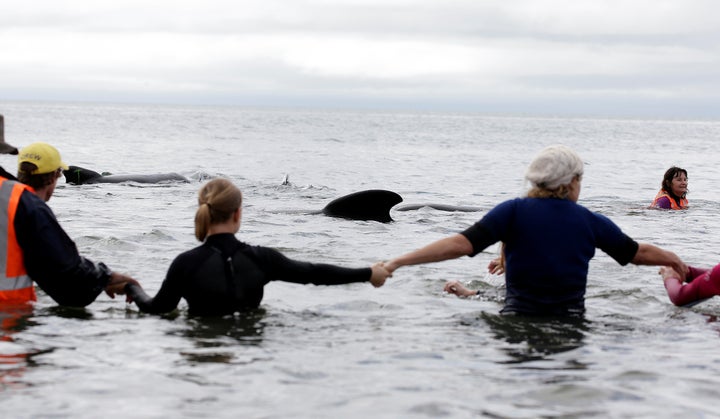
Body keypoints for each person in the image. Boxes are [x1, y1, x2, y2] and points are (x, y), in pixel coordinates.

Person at [383, 145, 687, 317]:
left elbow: (458, 245)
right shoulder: (588, 220)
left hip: (515, 319)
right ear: (570, 182)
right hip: (570, 324)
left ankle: (470, 295)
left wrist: (397, 262)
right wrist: (672, 258)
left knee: (512, 302)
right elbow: (637, 253)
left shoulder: (512, 211)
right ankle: (472, 294)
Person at [125, 178, 390, 316]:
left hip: (200, 348)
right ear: (238, 214)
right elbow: (314, 273)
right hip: (251, 357)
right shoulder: (262, 258)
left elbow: (156, 309)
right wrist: (368, 273)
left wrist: (131, 287)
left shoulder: (185, 263)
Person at [0, 142, 136, 305]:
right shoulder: (29, 207)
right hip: (7, 316)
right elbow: (69, 278)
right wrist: (106, 278)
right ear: (53, 177)